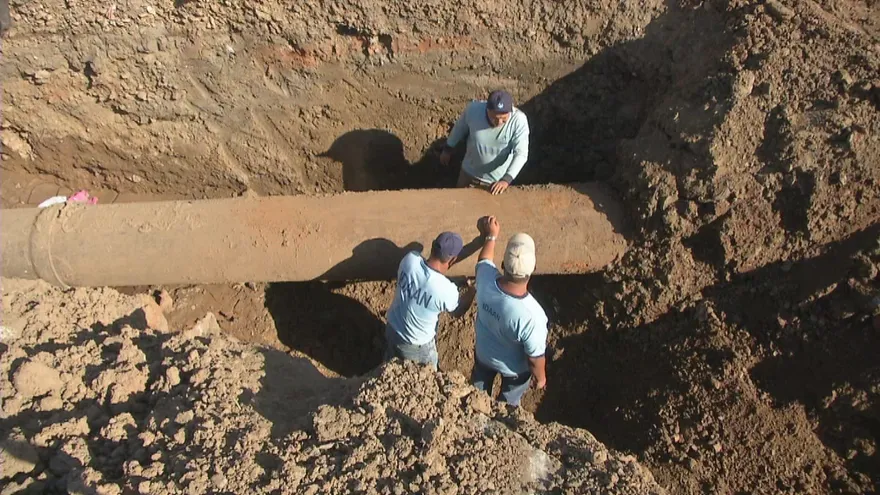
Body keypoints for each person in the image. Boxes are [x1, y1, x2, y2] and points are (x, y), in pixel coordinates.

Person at [470, 216, 548, 406]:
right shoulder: (533, 317)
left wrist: (491, 237)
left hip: (484, 355)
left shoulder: (485, 279)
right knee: (509, 403)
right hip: (515, 371)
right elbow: (534, 359)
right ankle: (503, 417)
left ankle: (475, 410)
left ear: (503, 264)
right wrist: (541, 378)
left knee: (476, 396)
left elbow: (484, 260)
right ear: (533, 269)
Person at [385, 232, 475, 368]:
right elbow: (457, 311)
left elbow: (426, 279)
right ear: (452, 261)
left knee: (391, 362)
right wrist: (473, 290)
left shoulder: (410, 259)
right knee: (426, 375)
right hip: (416, 346)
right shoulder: (446, 289)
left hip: (392, 329)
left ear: (432, 245)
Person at [440, 90, 530, 195]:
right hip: (468, 173)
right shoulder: (473, 110)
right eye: (495, 118)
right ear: (487, 109)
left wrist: (506, 179)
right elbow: (459, 129)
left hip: (495, 182)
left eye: (504, 119)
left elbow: (521, 154)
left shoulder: (518, 121)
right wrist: (448, 149)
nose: (499, 122)